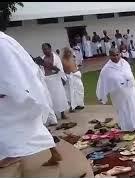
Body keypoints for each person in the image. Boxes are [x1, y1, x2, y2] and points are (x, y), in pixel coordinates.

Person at [0, 31, 62, 168]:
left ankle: (13, 154)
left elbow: (11, 70)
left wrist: (7, 90)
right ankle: (53, 151)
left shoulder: (2, 43)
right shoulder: (4, 40)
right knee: (30, 123)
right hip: (16, 89)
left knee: (12, 124)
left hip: (14, 91)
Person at [96, 48, 135, 132]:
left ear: (120, 54)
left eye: (117, 54)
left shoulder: (125, 63)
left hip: (129, 91)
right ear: (110, 56)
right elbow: (102, 82)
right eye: (113, 55)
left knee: (133, 107)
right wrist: (102, 96)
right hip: (118, 94)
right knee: (123, 110)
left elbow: (130, 75)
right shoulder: (106, 69)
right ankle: (127, 128)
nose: (116, 57)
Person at [41, 43, 69, 120]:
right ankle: (54, 115)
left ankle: (62, 114)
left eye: (46, 49)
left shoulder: (56, 57)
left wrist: (62, 78)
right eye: (43, 49)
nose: (45, 50)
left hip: (56, 79)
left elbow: (59, 69)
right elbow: (41, 71)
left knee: (60, 97)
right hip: (47, 80)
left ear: (50, 49)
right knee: (50, 98)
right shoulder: (42, 58)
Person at [61, 47, 85, 113]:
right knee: (71, 93)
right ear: (65, 53)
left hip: (76, 76)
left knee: (80, 90)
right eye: (67, 52)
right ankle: (72, 106)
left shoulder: (72, 58)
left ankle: (79, 104)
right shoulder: (63, 60)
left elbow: (76, 66)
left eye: (69, 52)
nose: (69, 53)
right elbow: (62, 70)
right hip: (69, 77)